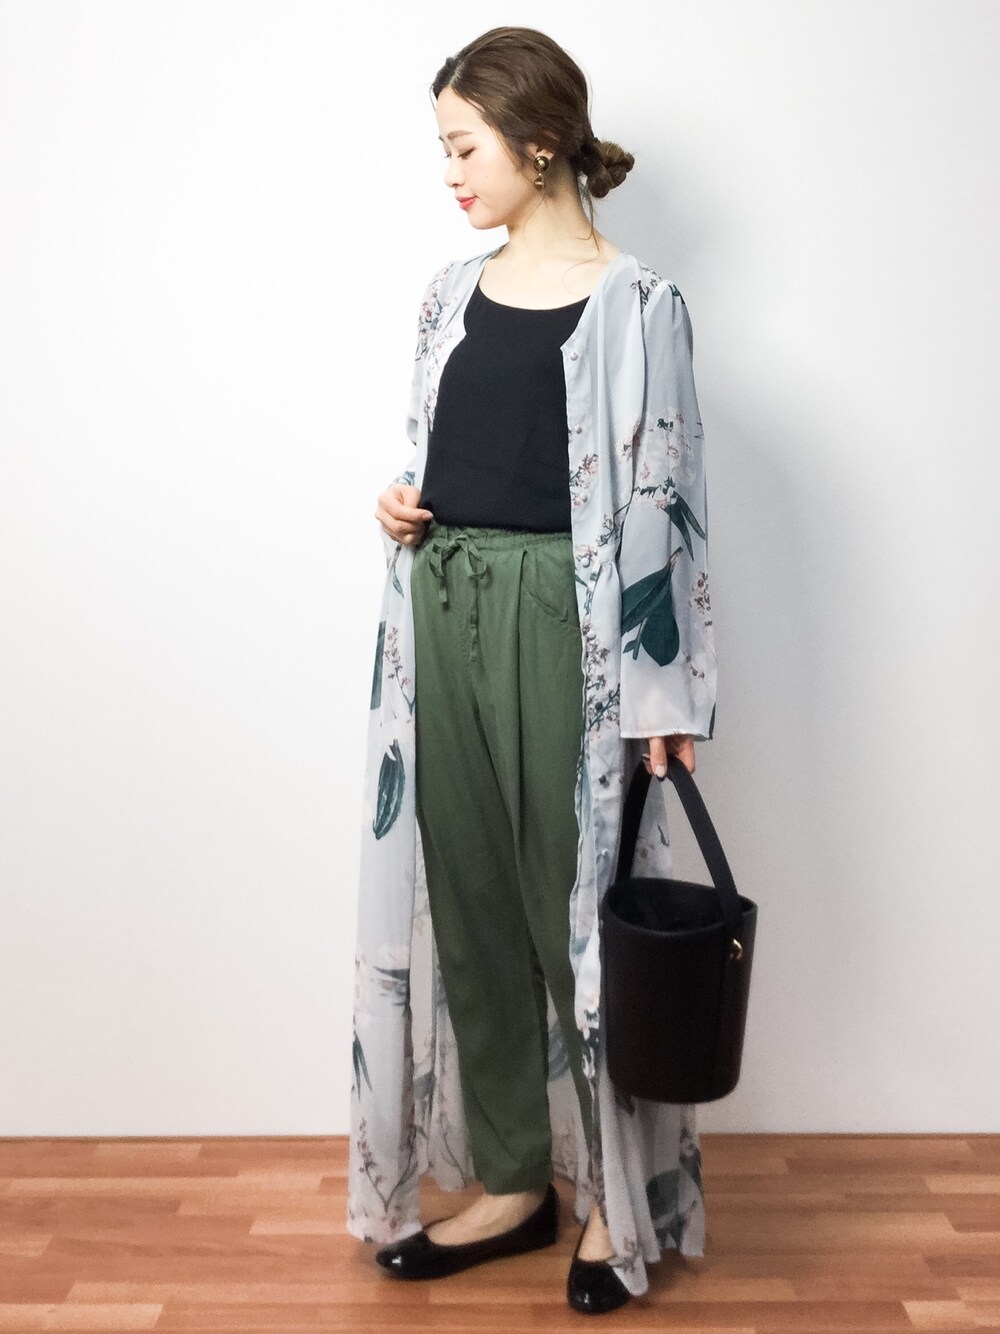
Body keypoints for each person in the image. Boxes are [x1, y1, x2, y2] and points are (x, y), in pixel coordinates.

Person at [348, 25, 718, 1316]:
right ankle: (512, 1178)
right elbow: (444, 449)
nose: (450, 173)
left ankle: (615, 1198)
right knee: (472, 896)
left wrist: (669, 698)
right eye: (445, 150)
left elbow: (668, 505)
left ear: (539, 140)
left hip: (570, 620)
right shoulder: (448, 292)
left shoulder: (639, 303)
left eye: (465, 147)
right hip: (442, 601)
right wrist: (403, 504)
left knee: (577, 908)